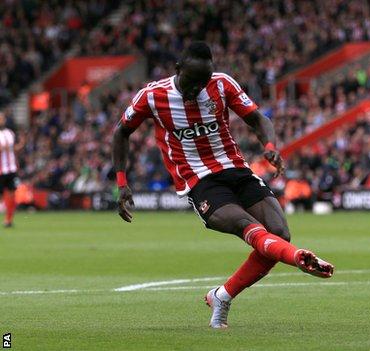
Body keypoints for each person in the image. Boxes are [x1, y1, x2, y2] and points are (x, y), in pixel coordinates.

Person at [112, 42, 334, 329]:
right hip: (198, 180)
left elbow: (257, 118)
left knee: (279, 232)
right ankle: (298, 259)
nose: (198, 89)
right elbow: (121, 132)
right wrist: (122, 183)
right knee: (247, 226)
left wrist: (269, 146)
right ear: (178, 70)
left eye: (204, 81)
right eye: (193, 82)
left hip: (235, 169)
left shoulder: (221, 84)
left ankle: (222, 296)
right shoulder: (153, 96)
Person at [0, 111, 22, 228]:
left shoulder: (9, 133)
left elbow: (14, 150)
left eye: (2, 118)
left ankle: (8, 220)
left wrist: (21, 144)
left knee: (12, 194)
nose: (1, 120)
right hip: (1, 169)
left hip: (11, 169)